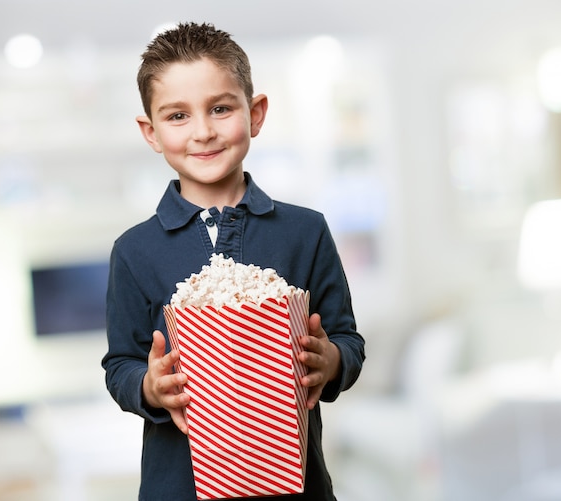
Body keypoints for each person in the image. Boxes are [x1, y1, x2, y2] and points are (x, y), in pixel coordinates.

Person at [102, 21, 365, 501]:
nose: (203, 131)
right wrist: (150, 387)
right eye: (177, 116)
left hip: (295, 485)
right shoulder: (134, 251)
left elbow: (348, 340)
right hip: (178, 486)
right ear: (151, 132)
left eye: (220, 108)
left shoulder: (305, 232)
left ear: (256, 113)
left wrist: (331, 360)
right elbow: (120, 363)